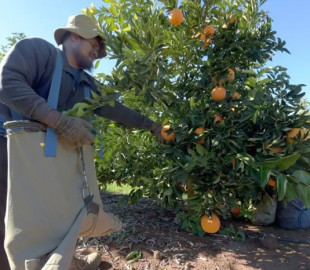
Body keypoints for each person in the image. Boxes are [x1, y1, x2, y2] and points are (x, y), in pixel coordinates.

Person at [0, 14, 162, 270]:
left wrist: (152, 126)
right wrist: (60, 122)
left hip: (48, 151)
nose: (97, 52)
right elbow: (8, 84)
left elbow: (117, 110)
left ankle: (55, 263)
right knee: (12, 218)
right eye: (94, 43)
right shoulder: (38, 51)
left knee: (62, 212)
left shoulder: (87, 84)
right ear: (74, 36)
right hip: (10, 145)